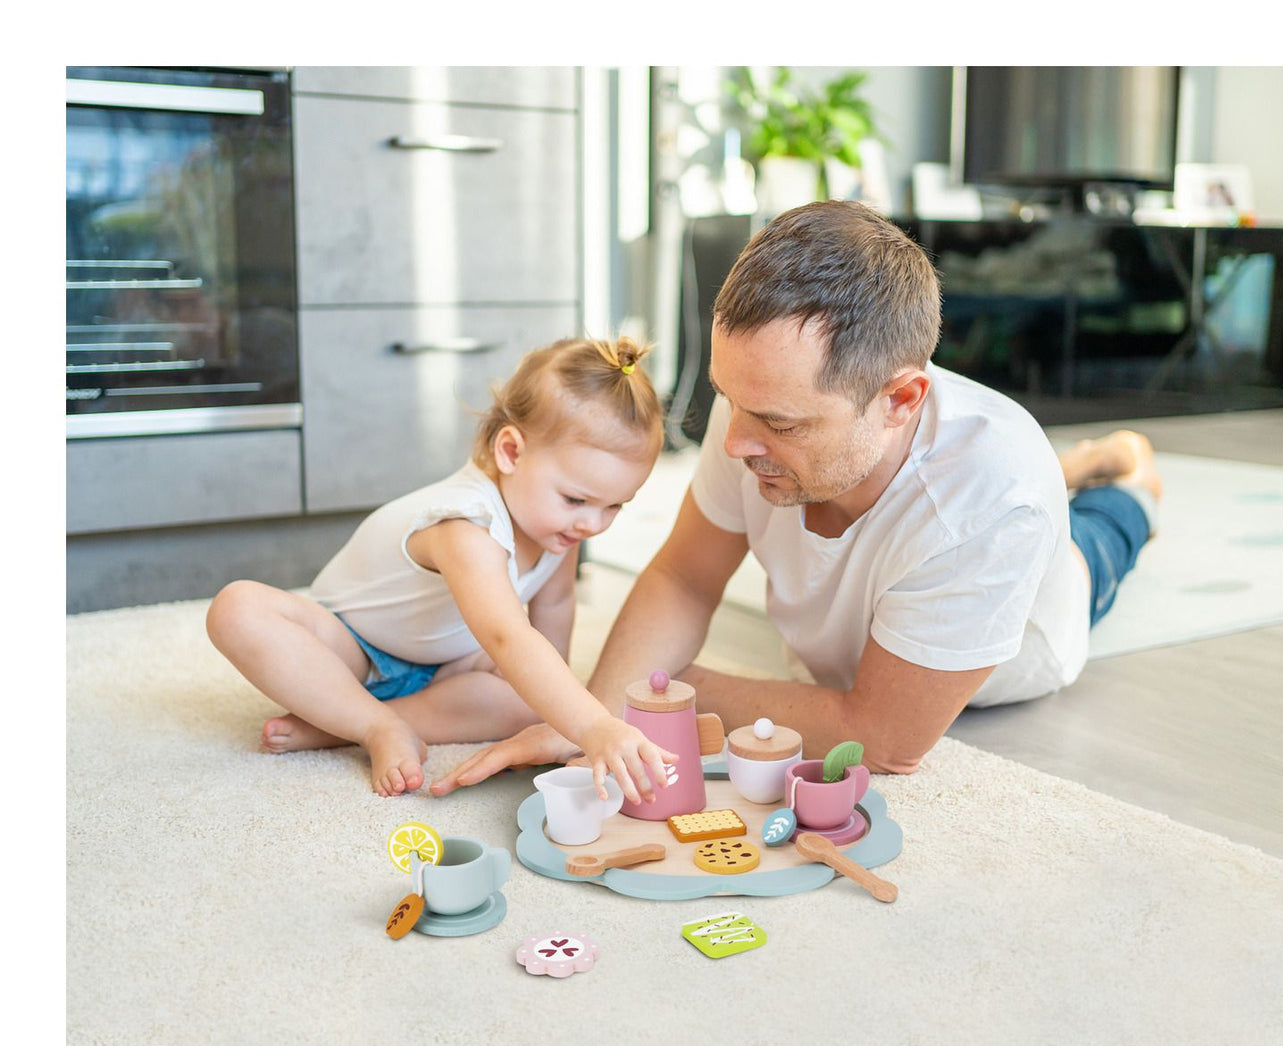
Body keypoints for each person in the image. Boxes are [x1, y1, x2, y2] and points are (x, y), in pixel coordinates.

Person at [429, 201, 1161, 796]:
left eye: (779, 423)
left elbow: (883, 738)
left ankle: (1125, 471)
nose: (735, 442)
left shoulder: (995, 498)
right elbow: (685, 576)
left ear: (899, 400)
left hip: (1039, 606)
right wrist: (593, 715)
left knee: (1107, 525)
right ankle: (1086, 469)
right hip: (916, 552)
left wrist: (660, 692)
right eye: (729, 402)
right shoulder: (753, 404)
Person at [206, 336, 678, 800]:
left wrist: (561, 714)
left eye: (614, 505)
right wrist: (596, 725)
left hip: (446, 664)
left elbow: (554, 609)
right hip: (350, 653)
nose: (592, 523)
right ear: (510, 452)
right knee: (239, 608)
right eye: (577, 499)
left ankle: (332, 725)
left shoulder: (560, 528)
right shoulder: (465, 524)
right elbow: (507, 637)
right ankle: (373, 724)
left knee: (530, 702)